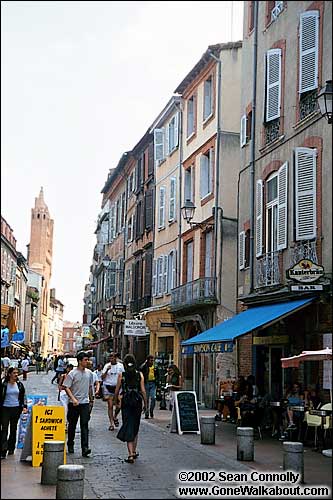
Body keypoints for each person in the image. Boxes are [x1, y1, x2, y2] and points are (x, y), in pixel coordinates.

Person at [114, 353, 147, 464]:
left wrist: (116, 400)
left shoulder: (121, 375)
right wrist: (145, 403)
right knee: (135, 426)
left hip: (126, 402)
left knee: (128, 424)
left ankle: (130, 454)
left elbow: (117, 390)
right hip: (137, 402)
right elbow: (143, 390)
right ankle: (133, 451)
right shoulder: (140, 375)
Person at [62, 351, 96, 457]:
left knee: (84, 425)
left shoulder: (89, 373)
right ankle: (70, 443)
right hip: (74, 403)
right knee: (72, 425)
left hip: (85, 403)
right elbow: (66, 387)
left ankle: (85, 448)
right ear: (80, 361)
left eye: (87, 360)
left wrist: (91, 399)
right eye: (85, 360)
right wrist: (73, 399)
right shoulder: (72, 373)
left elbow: (90, 387)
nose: (87, 362)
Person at [1, 367, 28, 458]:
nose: (16, 374)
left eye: (17, 373)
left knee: (13, 429)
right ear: (9, 374)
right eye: (14, 373)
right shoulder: (4, 384)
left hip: (16, 409)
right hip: (5, 409)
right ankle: (3, 449)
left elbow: (23, 396)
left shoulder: (19, 385)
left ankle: (11, 447)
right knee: (4, 429)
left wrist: (24, 406)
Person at [101, 352, 124, 431]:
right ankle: (111, 423)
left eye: (113, 357)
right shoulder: (106, 366)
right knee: (110, 405)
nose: (112, 359)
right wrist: (107, 370)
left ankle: (115, 416)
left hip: (118, 387)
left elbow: (123, 376)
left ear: (116, 358)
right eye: (110, 358)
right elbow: (102, 377)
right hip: (109, 387)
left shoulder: (120, 366)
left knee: (119, 405)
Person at [58, 364, 74, 429]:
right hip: (64, 393)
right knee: (65, 408)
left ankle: (68, 423)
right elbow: (59, 385)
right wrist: (60, 392)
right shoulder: (63, 376)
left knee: (70, 409)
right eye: (69, 368)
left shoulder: (73, 376)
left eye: (71, 368)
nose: (69, 370)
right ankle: (65, 423)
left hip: (70, 394)